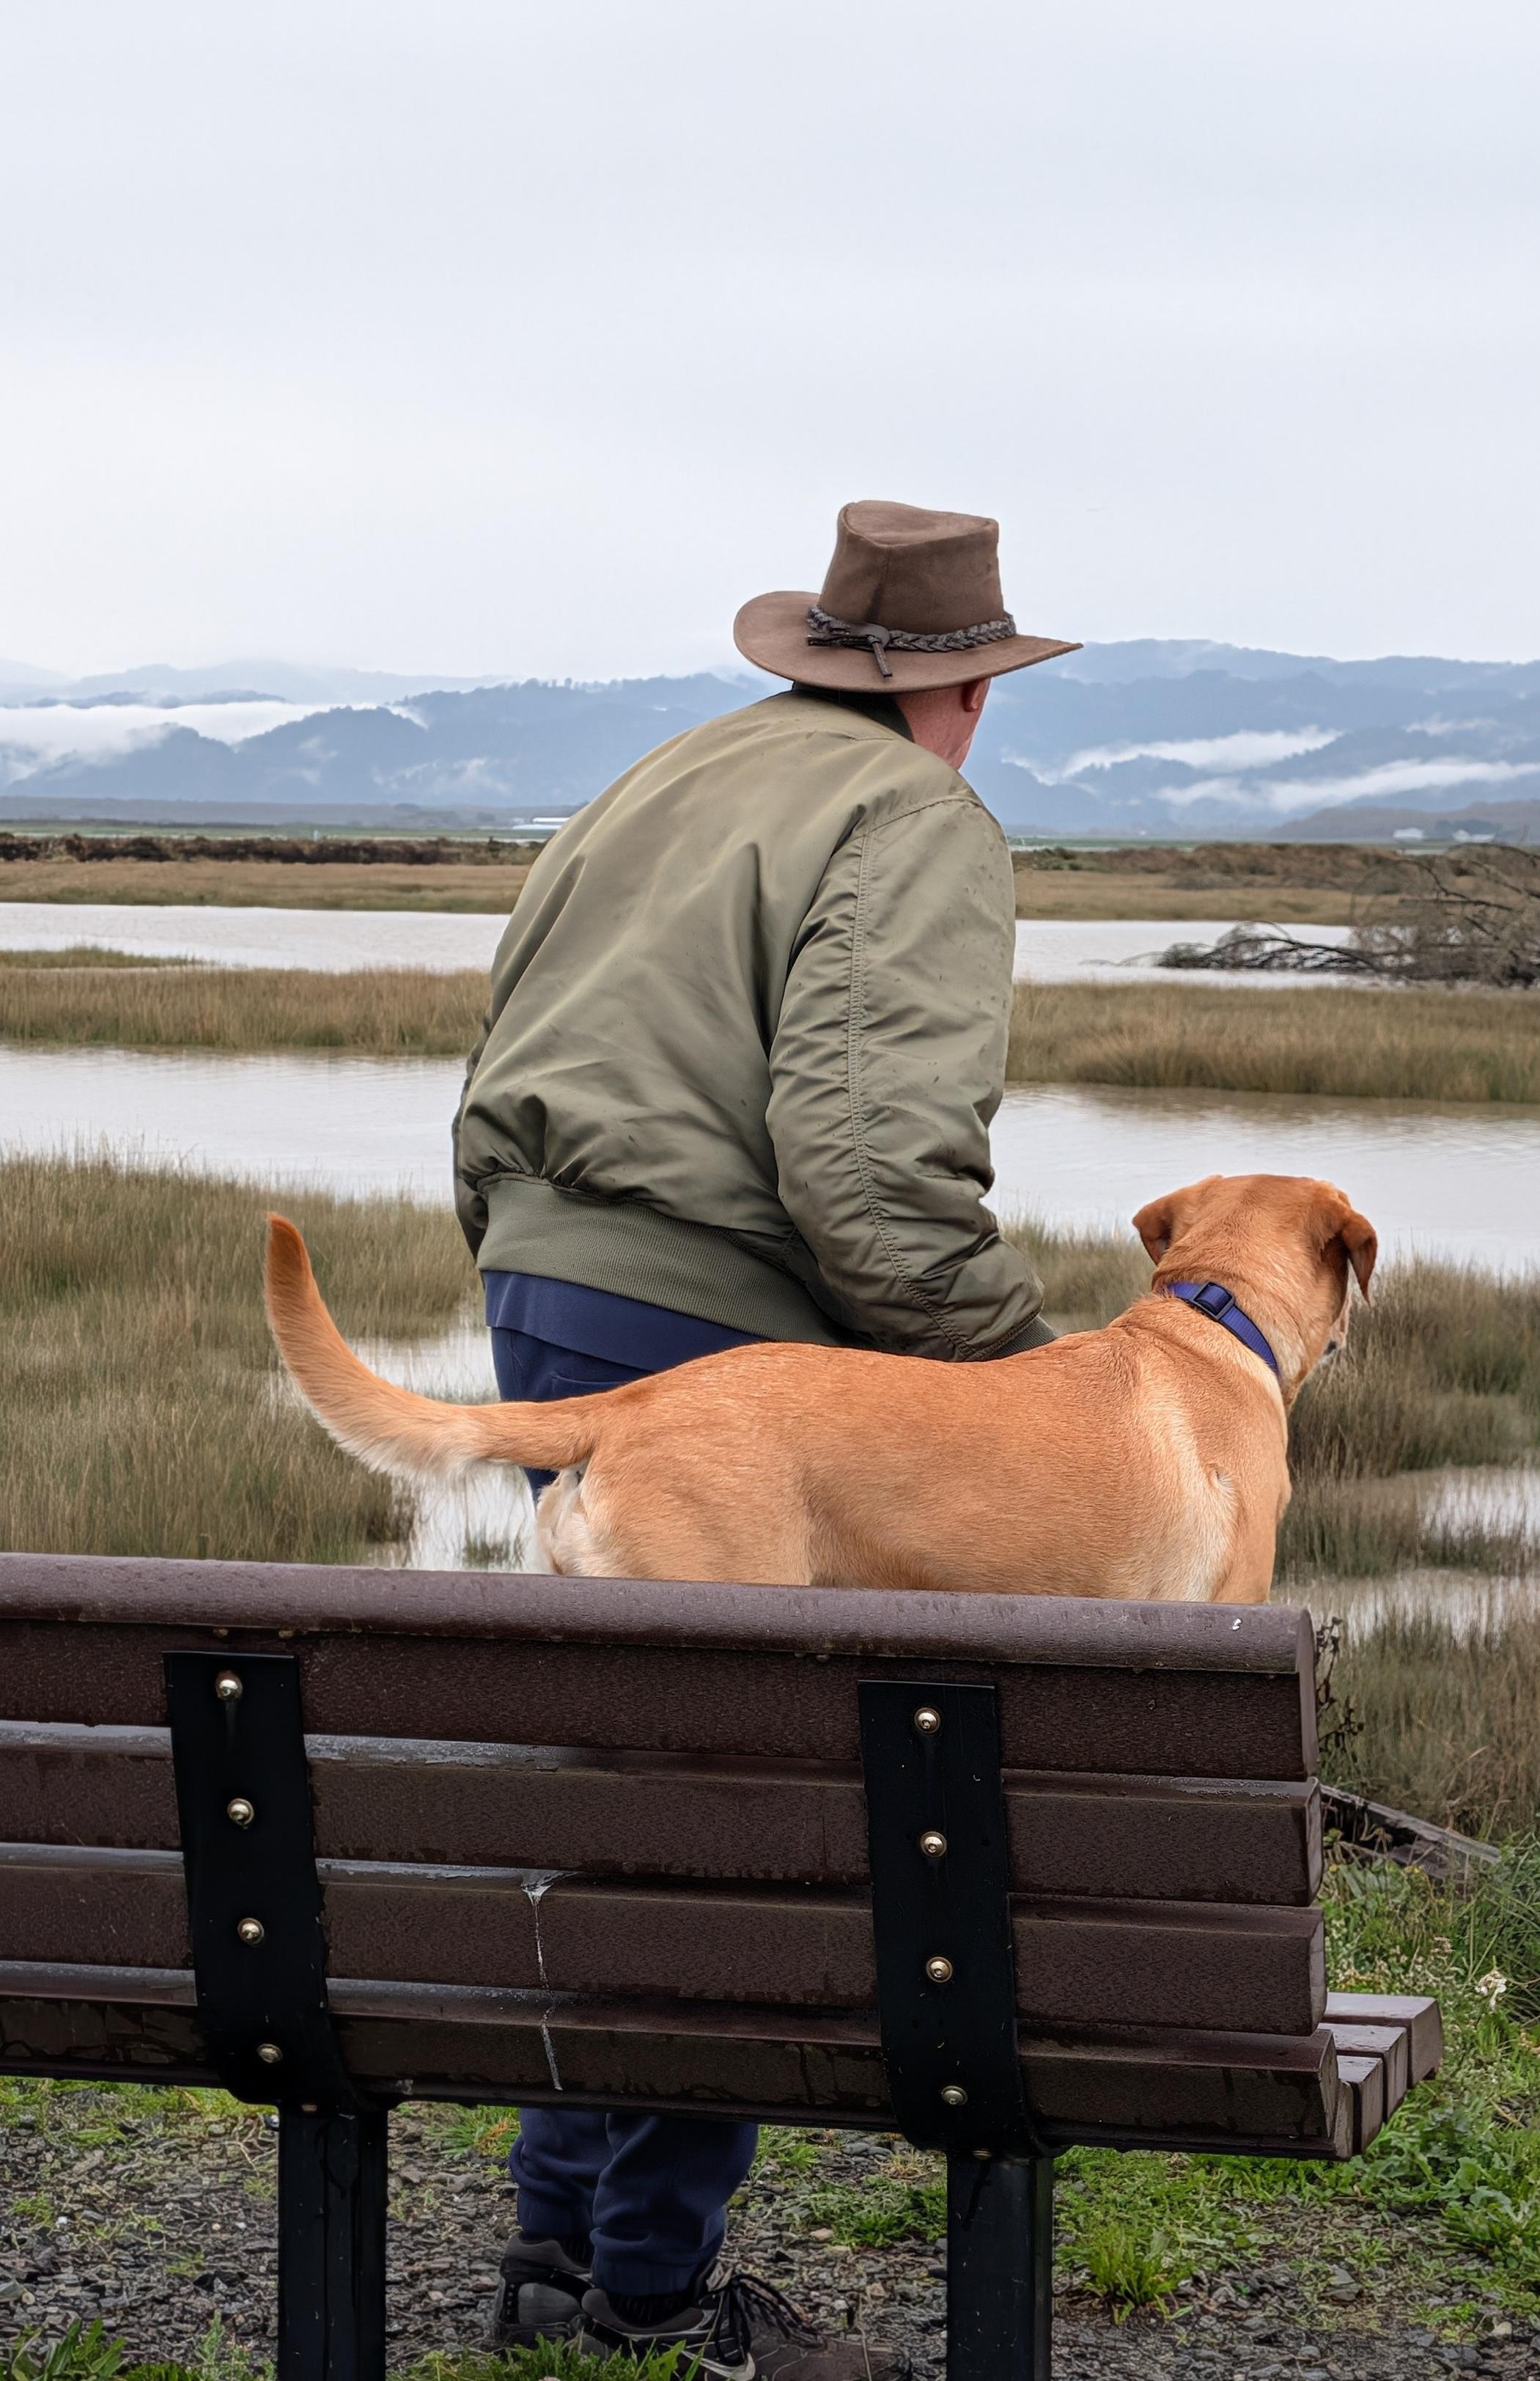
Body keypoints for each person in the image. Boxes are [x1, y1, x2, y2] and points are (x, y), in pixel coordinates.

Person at [452, 499, 1078, 2378]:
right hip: (724, 1343)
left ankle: (558, 2242)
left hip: (545, 1304)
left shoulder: (662, 777)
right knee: (743, 1832)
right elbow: (868, 1175)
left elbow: (496, 1078)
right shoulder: (917, 818)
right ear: (967, 691)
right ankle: (652, 2286)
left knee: (636, 1802)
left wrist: (542, 1280)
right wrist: (1030, 1387)